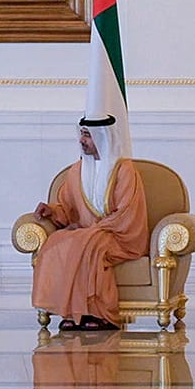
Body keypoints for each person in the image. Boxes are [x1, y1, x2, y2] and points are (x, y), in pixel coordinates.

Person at [31, 114, 149, 332]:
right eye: (82, 135)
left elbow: (126, 214)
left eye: (88, 136)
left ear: (103, 138)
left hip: (121, 236)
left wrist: (92, 231)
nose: (81, 141)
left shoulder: (124, 170)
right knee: (56, 242)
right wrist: (52, 211)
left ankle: (100, 314)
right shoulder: (77, 170)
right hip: (89, 233)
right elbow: (68, 209)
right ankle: (72, 313)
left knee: (90, 244)